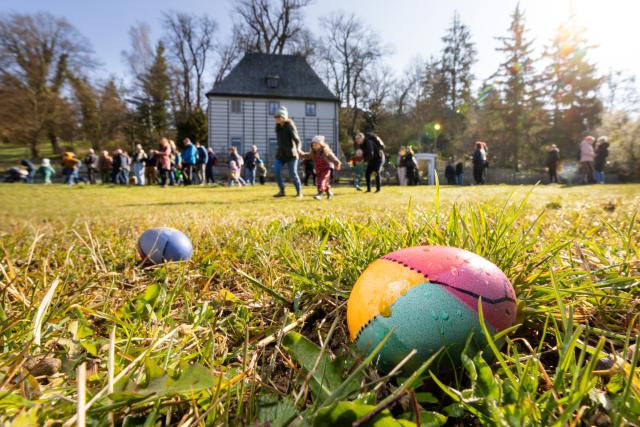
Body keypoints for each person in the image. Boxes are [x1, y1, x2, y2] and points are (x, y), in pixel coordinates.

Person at [300, 135, 342, 200]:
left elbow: (333, 158)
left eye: (316, 144)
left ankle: (319, 194)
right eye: (313, 145)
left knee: (322, 180)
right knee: (319, 182)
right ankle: (328, 192)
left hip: (326, 168)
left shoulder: (326, 151)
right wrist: (301, 153)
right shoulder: (313, 153)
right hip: (318, 170)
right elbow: (307, 156)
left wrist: (337, 163)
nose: (314, 146)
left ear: (321, 144)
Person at [273, 106, 302, 197]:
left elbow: (297, 140)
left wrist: (298, 149)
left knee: (293, 174)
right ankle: (282, 191)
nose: (276, 119)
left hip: (291, 154)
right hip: (281, 154)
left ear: (284, 117)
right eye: (276, 117)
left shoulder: (290, 125)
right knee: (276, 170)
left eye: (278, 117)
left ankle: (299, 193)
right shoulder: (278, 127)